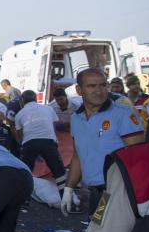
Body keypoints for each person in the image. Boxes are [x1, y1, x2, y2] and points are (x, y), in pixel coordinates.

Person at [62, 68, 144, 216]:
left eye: (102, 85)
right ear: (79, 90)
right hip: (95, 192)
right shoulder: (76, 118)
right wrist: (68, 189)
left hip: (116, 191)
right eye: (91, 86)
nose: (98, 91)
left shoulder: (123, 113)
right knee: (95, 231)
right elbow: (78, 155)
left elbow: (138, 156)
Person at [13, 90, 65, 181]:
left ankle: (23, 191)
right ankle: (64, 193)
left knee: (26, 171)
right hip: (48, 142)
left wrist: (25, 148)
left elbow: (21, 136)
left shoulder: (19, 115)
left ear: (22, 101)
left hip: (29, 143)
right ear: (36, 99)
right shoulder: (48, 108)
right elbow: (53, 127)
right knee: (59, 172)